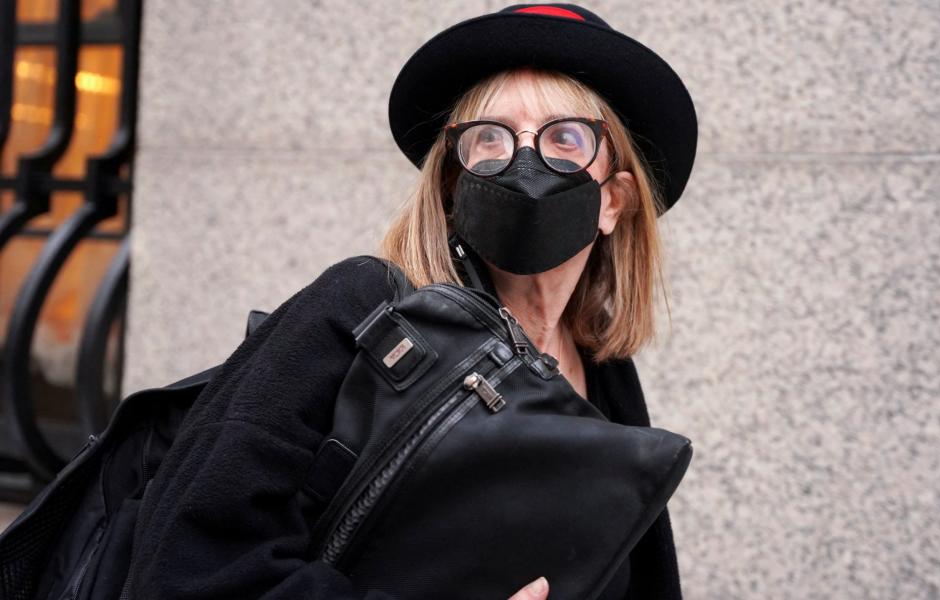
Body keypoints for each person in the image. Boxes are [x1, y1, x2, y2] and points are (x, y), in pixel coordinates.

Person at [127, 4, 697, 599]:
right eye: (490, 139)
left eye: (566, 137)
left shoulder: (605, 377)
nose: (524, 162)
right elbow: (187, 566)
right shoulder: (362, 312)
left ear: (614, 201)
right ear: (455, 186)